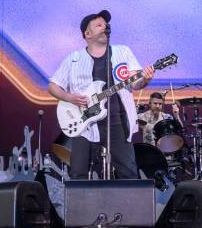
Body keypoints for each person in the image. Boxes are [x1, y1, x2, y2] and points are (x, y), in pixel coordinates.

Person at [48, 10, 155, 179]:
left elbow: (135, 83)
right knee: (78, 174)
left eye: (105, 24)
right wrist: (69, 97)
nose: (104, 26)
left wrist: (145, 80)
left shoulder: (122, 52)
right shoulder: (73, 59)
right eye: (99, 25)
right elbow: (53, 86)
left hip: (116, 121)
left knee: (128, 172)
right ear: (87, 34)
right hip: (84, 124)